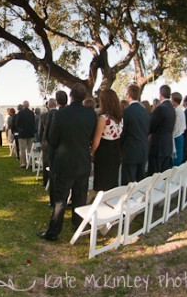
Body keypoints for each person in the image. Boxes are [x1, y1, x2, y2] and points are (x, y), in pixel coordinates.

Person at [37, 83, 96, 241]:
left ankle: (53, 232)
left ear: (71, 96)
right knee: (80, 197)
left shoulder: (60, 114)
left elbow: (51, 139)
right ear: (84, 97)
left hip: (64, 162)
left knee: (60, 200)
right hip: (83, 161)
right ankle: (78, 224)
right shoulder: (91, 115)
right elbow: (91, 137)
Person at [91, 89, 123, 191]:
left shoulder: (103, 119)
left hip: (104, 153)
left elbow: (96, 142)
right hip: (116, 152)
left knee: (102, 182)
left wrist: (92, 153)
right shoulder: (120, 118)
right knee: (112, 181)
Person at [120, 85, 150, 185]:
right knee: (141, 180)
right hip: (143, 149)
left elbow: (123, 132)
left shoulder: (126, 112)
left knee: (128, 182)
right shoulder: (145, 112)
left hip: (130, 151)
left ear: (128, 95)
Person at [148, 85, 175, 176]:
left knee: (155, 173)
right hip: (167, 144)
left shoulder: (161, 108)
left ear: (161, 94)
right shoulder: (172, 108)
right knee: (164, 172)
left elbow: (151, 125)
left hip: (158, 146)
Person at [38, 98, 57, 195]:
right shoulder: (60, 114)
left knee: (46, 163)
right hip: (57, 144)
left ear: (48, 106)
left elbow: (40, 131)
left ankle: (46, 182)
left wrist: (42, 141)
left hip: (46, 143)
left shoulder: (44, 116)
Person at [15, 101, 35, 168]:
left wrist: (19, 129)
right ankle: (31, 162)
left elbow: (17, 123)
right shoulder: (32, 113)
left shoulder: (20, 113)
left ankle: (23, 163)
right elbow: (33, 123)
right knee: (30, 148)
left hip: (22, 133)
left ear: (23, 106)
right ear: (28, 105)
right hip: (30, 133)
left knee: (22, 149)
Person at [171, 92, 186, 167]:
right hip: (180, 135)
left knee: (176, 158)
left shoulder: (177, 111)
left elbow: (176, 125)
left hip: (177, 136)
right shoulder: (179, 110)